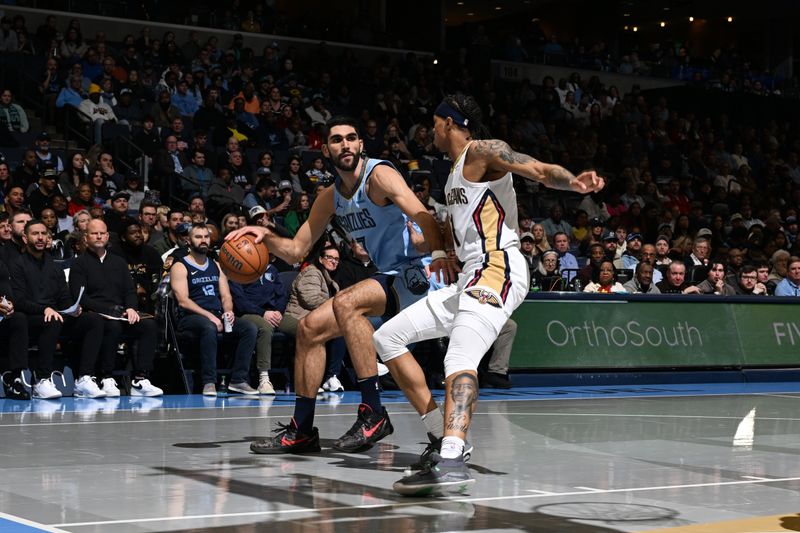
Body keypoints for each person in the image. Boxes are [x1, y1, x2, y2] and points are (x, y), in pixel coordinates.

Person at [372, 93, 604, 495]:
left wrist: (574, 183)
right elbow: (452, 222)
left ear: (449, 122)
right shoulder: (452, 173)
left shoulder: (482, 151)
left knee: (459, 357)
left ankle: (451, 458)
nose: (430, 129)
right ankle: (440, 438)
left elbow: (539, 169)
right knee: (386, 338)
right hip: (468, 275)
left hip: (499, 266)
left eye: (434, 121)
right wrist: (443, 250)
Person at [228, 115, 453, 456]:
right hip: (388, 275)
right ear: (325, 149)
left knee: (346, 302)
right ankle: (302, 429)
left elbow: (423, 215)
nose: (345, 144)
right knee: (308, 328)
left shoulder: (380, 175)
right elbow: (296, 251)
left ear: (361, 144)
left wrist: (437, 251)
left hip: (418, 271)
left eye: (351, 138)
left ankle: (372, 411)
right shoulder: (330, 197)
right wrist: (265, 236)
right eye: (336, 139)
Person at [10, 219, 105, 399]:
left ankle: (84, 378)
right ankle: (42, 380)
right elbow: (19, 300)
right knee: (51, 321)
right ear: (24, 238)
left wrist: (73, 308)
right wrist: (44, 309)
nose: (40, 238)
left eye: (43, 234)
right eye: (35, 234)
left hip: (56, 316)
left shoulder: (54, 266)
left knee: (93, 320)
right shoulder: (17, 264)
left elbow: (63, 297)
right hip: (30, 318)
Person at [69, 219, 163, 397]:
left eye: (102, 233)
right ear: (86, 237)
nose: (98, 236)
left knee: (148, 325)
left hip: (120, 312)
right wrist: (107, 311)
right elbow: (80, 297)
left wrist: (131, 308)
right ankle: (106, 377)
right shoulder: (79, 263)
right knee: (111, 325)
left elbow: (129, 290)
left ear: (107, 236)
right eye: (94, 233)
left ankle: (140, 379)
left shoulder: (119, 262)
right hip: (94, 314)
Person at [170, 224, 257, 395]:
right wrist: (210, 316)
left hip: (216, 315)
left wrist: (228, 312)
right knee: (208, 327)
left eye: (206, 237)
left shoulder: (216, 265)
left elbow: (226, 296)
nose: (203, 240)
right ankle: (209, 382)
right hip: (190, 317)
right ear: (188, 240)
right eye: (198, 237)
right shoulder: (180, 266)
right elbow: (183, 301)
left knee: (249, 328)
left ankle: (238, 380)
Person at [228, 258, 288, 395]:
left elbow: (282, 295)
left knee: (302, 328)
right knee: (265, 328)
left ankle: (303, 376)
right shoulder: (238, 271)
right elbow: (240, 301)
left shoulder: (271, 269)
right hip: (248, 314)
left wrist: (279, 311)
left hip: (274, 313)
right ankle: (264, 379)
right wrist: (263, 313)